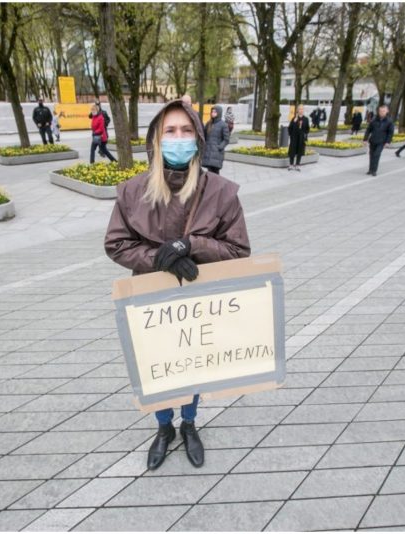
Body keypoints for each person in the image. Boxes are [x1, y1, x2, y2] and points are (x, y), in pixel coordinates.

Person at [104, 99, 251, 470]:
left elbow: (239, 249)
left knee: (193, 365)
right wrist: (158, 258)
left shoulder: (222, 192)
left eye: (186, 130)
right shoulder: (132, 192)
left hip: (200, 301)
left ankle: (189, 423)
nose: (178, 138)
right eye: (170, 131)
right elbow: (116, 243)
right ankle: (163, 427)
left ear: (198, 138)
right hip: (150, 301)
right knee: (156, 367)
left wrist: (193, 245)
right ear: (156, 138)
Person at [362, 104, 394, 176]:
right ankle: (370, 169)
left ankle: (374, 170)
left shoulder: (389, 121)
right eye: (380, 111)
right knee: (371, 155)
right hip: (373, 140)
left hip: (381, 141)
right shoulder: (374, 120)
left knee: (376, 155)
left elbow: (390, 133)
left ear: (387, 111)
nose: (381, 112)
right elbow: (368, 130)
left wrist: (388, 142)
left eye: (383, 111)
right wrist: (365, 139)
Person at [201, 105, 229, 175]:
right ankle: (211, 185)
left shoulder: (223, 125)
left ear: (219, 113)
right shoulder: (208, 123)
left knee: (215, 172)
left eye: (215, 112)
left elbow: (226, 139)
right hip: (208, 152)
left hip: (217, 153)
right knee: (210, 171)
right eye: (212, 112)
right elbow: (204, 136)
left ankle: (216, 185)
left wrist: (219, 147)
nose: (213, 113)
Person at [287, 106, 310, 172]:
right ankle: (291, 164)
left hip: (301, 138)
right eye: (300, 109)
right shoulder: (294, 118)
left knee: (299, 151)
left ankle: (297, 165)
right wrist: (294, 122)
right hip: (294, 137)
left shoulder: (306, 119)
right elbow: (290, 128)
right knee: (292, 151)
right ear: (297, 110)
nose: (301, 110)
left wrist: (304, 134)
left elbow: (307, 129)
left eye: (302, 109)